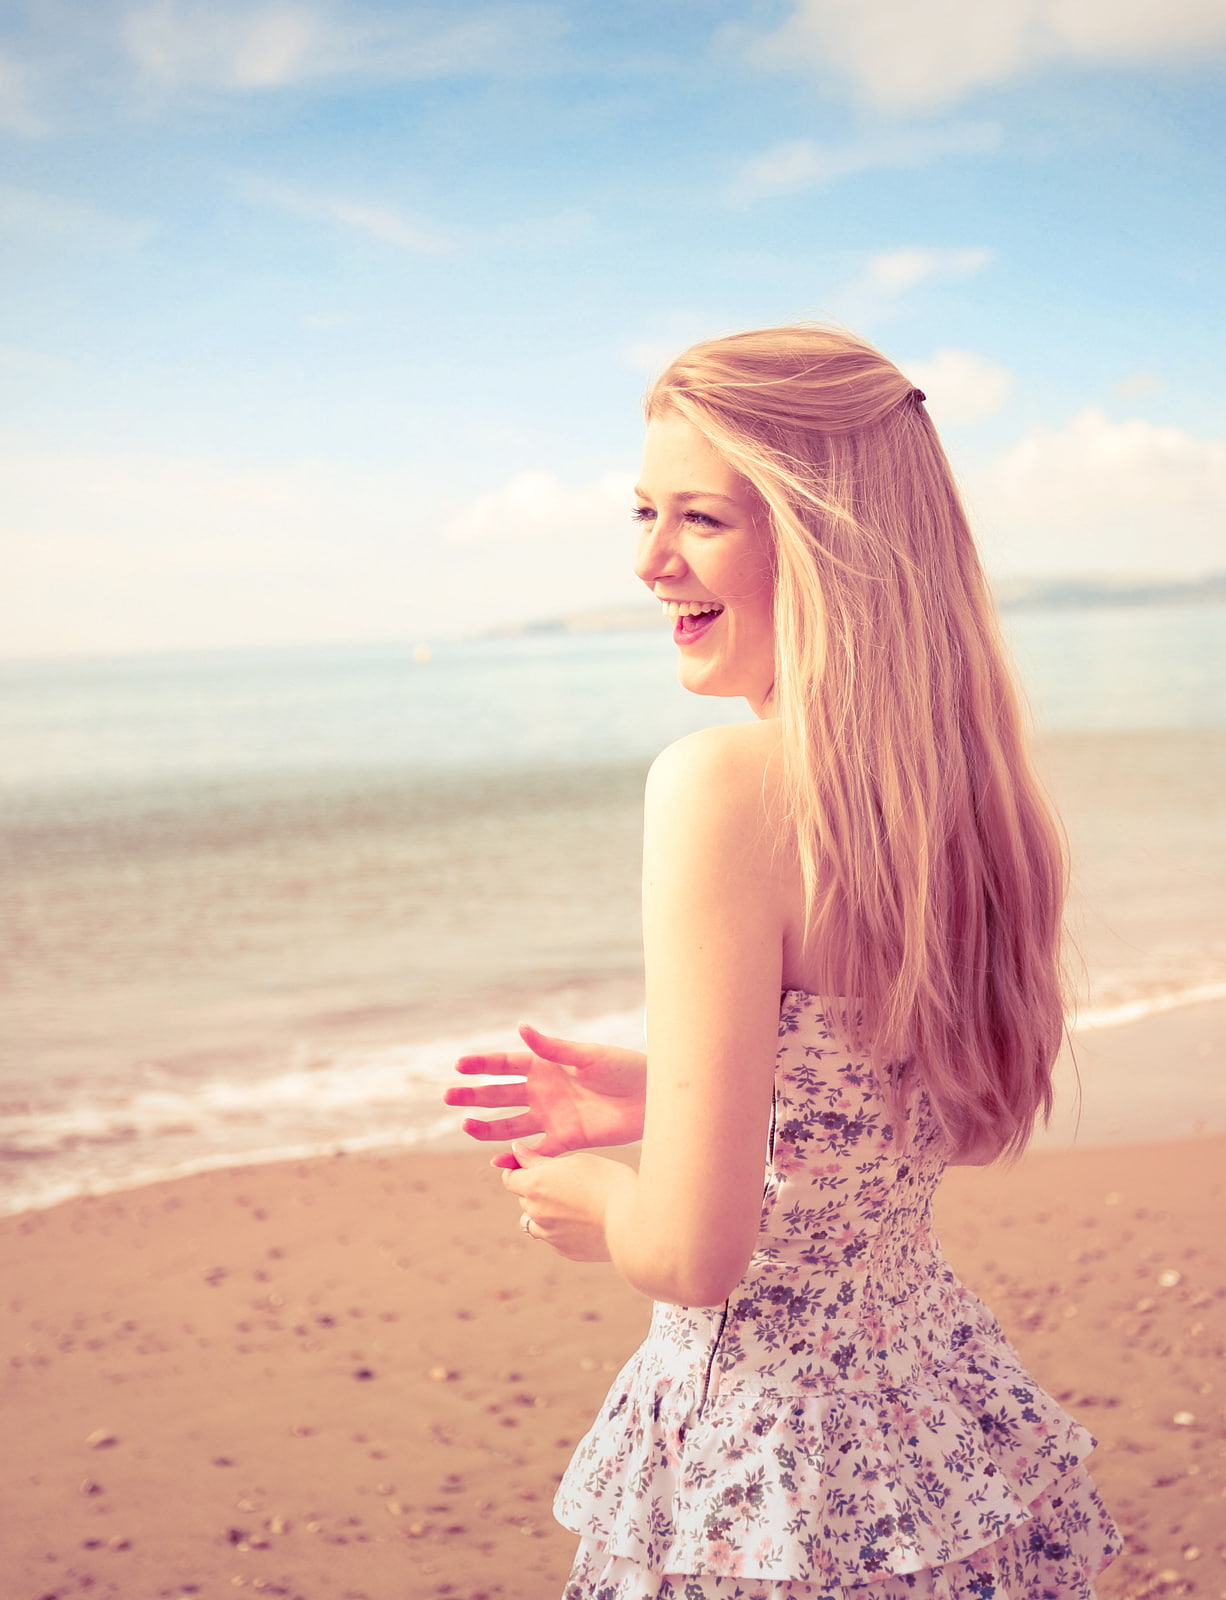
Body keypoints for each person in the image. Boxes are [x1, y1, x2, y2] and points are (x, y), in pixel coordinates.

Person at [443, 324, 1119, 1598]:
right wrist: (680, 1092)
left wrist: (592, 1198)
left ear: (825, 543)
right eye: (644, 511)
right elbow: (941, 1117)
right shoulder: (961, 798)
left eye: (700, 517)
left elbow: (697, 1254)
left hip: (773, 1481)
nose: (649, 562)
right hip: (936, 1434)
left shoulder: (718, 787)